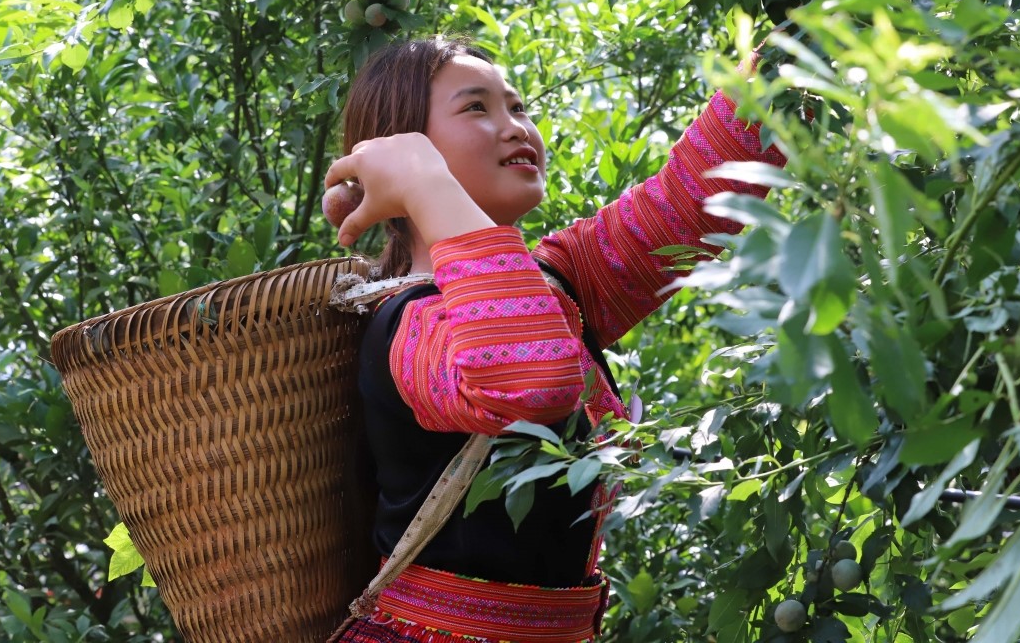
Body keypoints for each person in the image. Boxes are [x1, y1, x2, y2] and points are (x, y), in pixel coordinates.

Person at [323, 35, 790, 643]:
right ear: (401, 151)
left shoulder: (559, 280)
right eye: (476, 108)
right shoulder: (410, 323)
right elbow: (529, 378)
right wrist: (422, 183)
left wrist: (795, 45)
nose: (515, 127)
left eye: (517, 107)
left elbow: (696, 199)